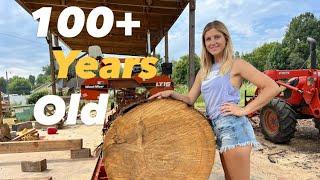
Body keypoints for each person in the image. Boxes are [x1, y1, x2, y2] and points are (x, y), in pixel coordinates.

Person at [149, 20, 279, 180]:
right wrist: (171, 93)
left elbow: (272, 87)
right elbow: (190, 99)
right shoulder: (204, 71)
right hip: (217, 129)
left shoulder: (236, 64)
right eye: (208, 39)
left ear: (226, 39)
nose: (213, 42)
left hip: (234, 128)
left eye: (217, 37)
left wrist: (244, 110)